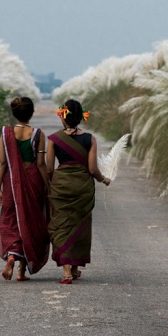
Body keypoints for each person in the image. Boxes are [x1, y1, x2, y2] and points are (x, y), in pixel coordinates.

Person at [46, 99, 111, 284]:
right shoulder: (90, 139)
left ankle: (66, 270)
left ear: (63, 116)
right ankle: (74, 268)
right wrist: (103, 179)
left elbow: (49, 169)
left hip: (61, 186)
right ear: (81, 116)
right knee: (79, 225)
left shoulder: (53, 139)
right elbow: (92, 169)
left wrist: (53, 185)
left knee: (61, 224)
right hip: (83, 186)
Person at [0, 97, 50, 281]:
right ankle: (21, 271)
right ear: (32, 113)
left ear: (14, 113)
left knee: (11, 219)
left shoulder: (6, 133)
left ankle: (11, 256)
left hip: (11, 181)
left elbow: (3, 162)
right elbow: (41, 164)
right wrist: (48, 185)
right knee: (30, 220)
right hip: (33, 180)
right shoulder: (38, 134)